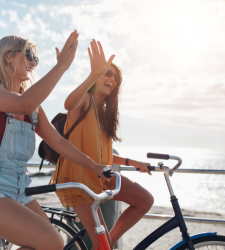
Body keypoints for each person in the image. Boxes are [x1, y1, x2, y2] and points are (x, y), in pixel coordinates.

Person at [0, 31, 112, 250]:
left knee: (52, 245)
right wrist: (61, 66)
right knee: (52, 241)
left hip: (19, 190)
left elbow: (59, 143)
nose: (34, 62)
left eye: (36, 58)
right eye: (29, 55)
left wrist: (95, 166)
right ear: (8, 57)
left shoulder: (32, 108)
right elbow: (23, 103)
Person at [49, 39, 154, 250]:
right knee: (101, 243)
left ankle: (106, 244)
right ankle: (103, 246)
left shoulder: (106, 116)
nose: (112, 79)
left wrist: (133, 162)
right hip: (78, 180)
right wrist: (93, 74)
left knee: (145, 200)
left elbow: (102, 157)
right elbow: (68, 103)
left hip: (100, 175)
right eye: (107, 73)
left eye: (115, 77)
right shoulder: (85, 101)